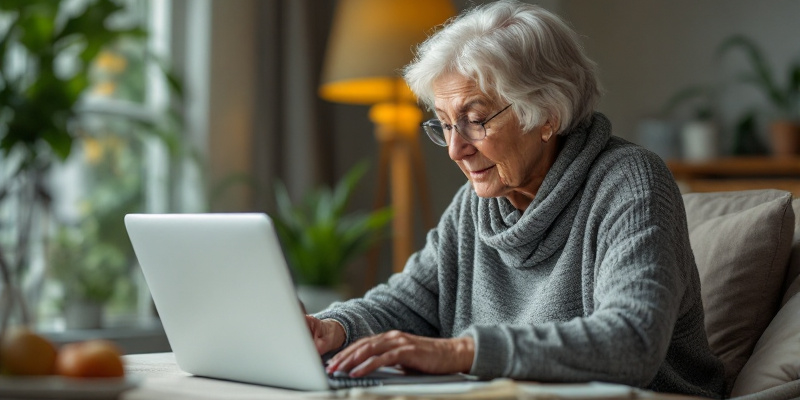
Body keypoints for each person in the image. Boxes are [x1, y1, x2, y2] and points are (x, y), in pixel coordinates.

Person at [306, 1, 724, 397]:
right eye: (446, 124)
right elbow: (407, 303)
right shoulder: (477, 205)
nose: (456, 149)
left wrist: (460, 353)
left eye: (474, 120)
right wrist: (333, 327)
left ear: (545, 115)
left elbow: (631, 340)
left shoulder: (629, 182)